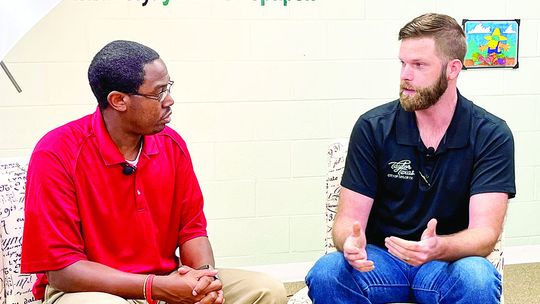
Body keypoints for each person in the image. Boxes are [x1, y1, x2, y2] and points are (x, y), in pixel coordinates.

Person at [21, 40, 287, 304]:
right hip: (88, 293)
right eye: (158, 93)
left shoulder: (172, 144)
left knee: (266, 290)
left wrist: (205, 282)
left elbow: (192, 230)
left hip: (166, 279)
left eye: (168, 88)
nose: (169, 100)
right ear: (118, 100)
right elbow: (63, 272)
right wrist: (155, 288)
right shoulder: (56, 152)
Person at [306, 13, 515, 304]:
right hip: (382, 260)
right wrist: (350, 241)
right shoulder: (373, 127)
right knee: (327, 272)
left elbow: (484, 234)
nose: (405, 74)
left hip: (446, 262)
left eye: (419, 65)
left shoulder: (490, 134)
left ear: (452, 69)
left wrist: (437, 247)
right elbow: (347, 221)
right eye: (403, 63)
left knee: (478, 278)